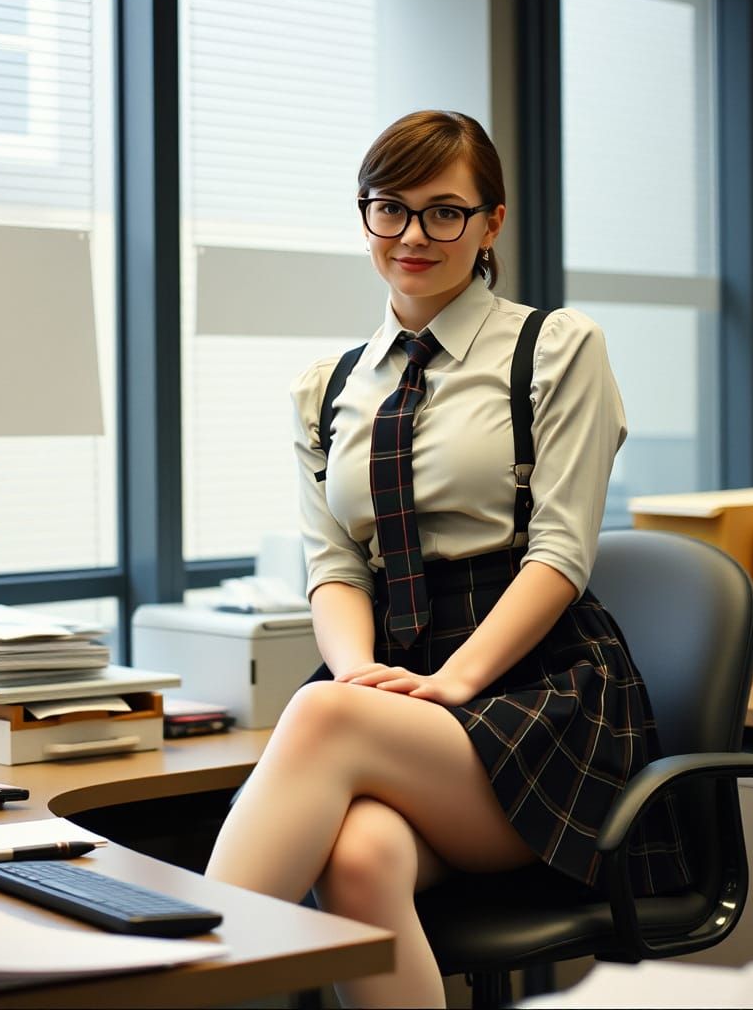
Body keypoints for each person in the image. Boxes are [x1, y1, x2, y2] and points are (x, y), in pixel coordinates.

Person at [206, 110, 689, 1009]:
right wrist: (366, 678)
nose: (413, 236)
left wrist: (450, 682)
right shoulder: (329, 385)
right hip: (398, 684)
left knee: (319, 717)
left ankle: (167, 985)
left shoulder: (556, 348)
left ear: (491, 223)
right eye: (389, 209)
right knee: (359, 859)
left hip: (536, 691)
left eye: (444, 212)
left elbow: (560, 553)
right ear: (364, 218)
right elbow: (339, 568)